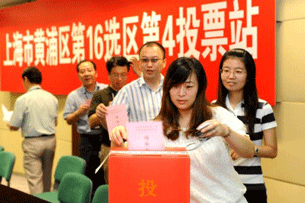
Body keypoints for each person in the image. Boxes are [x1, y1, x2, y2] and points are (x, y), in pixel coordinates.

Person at [110, 57, 255, 202]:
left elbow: (248, 151)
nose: (181, 93)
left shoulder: (217, 116)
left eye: (188, 86)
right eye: (175, 86)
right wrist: (118, 139)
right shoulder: (158, 126)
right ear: (167, 88)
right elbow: (138, 169)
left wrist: (226, 132)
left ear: (200, 87)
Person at [215, 48, 277, 202]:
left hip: (252, 185)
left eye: (238, 71)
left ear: (248, 75)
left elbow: (272, 150)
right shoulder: (213, 109)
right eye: (226, 70)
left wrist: (248, 149)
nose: (231, 76)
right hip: (220, 184)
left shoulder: (263, 108)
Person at [7, 67, 58, 195]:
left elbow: (14, 125)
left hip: (33, 143)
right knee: (47, 179)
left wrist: (7, 122)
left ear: (25, 79)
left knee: (35, 180)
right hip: (51, 141)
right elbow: (55, 122)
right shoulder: (52, 98)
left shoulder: (23, 100)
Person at [96, 41, 166, 131]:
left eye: (154, 60)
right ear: (139, 63)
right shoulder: (127, 91)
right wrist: (102, 117)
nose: (149, 65)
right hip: (138, 144)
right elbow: (114, 128)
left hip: (170, 144)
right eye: (145, 60)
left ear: (164, 62)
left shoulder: (173, 88)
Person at [63, 60, 108, 189]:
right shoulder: (74, 95)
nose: (86, 74)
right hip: (86, 140)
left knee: (105, 174)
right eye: (82, 72)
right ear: (78, 75)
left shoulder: (105, 90)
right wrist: (79, 112)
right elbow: (68, 119)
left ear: (96, 73)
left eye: (89, 70)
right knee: (88, 175)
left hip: (104, 137)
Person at [88, 56, 131, 183]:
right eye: (115, 75)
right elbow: (91, 122)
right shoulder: (100, 94)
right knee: (112, 184)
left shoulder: (132, 92)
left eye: (123, 75)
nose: (119, 79)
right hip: (109, 146)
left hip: (132, 146)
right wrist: (104, 112)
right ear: (108, 75)